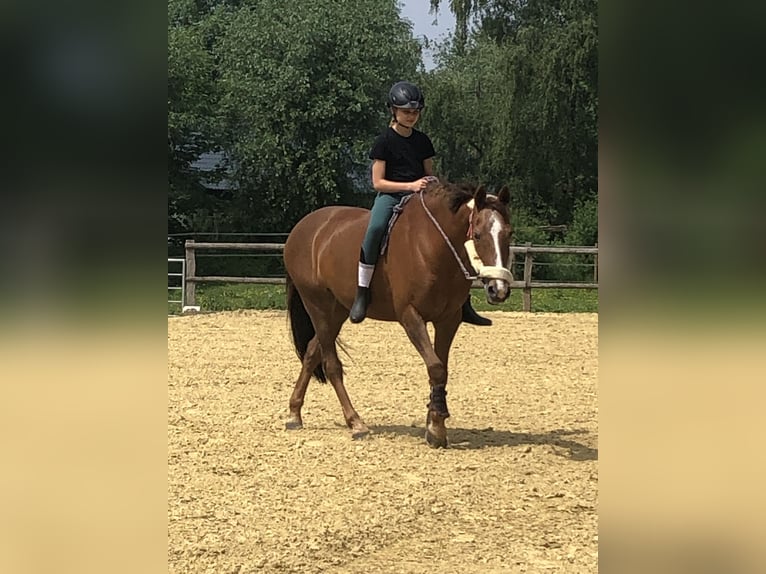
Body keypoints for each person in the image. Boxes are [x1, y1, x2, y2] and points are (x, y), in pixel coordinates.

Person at [349, 80, 492, 326]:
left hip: (423, 196)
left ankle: (464, 300)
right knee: (373, 230)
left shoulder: (423, 141)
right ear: (393, 111)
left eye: (415, 112)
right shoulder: (384, 141)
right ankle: (362, 293)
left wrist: (431, 185)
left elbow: (429, 173)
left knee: (456, 233)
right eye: (407, 112)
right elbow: (378, 183)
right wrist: (410, 186)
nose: (412, 116)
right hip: (392, 195)